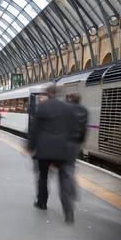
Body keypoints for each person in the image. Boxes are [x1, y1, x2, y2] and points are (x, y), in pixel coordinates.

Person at [27, 85, 84, 223]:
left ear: (48, 93)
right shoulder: (69, 108)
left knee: (43, 176)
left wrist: (31, 146)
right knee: (63, 179)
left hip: (45, 149)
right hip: (63, 150)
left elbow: (35, 128)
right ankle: (68, 210)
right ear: (58, 94)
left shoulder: (43, 107)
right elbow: (75, 129)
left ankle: (42, 202)